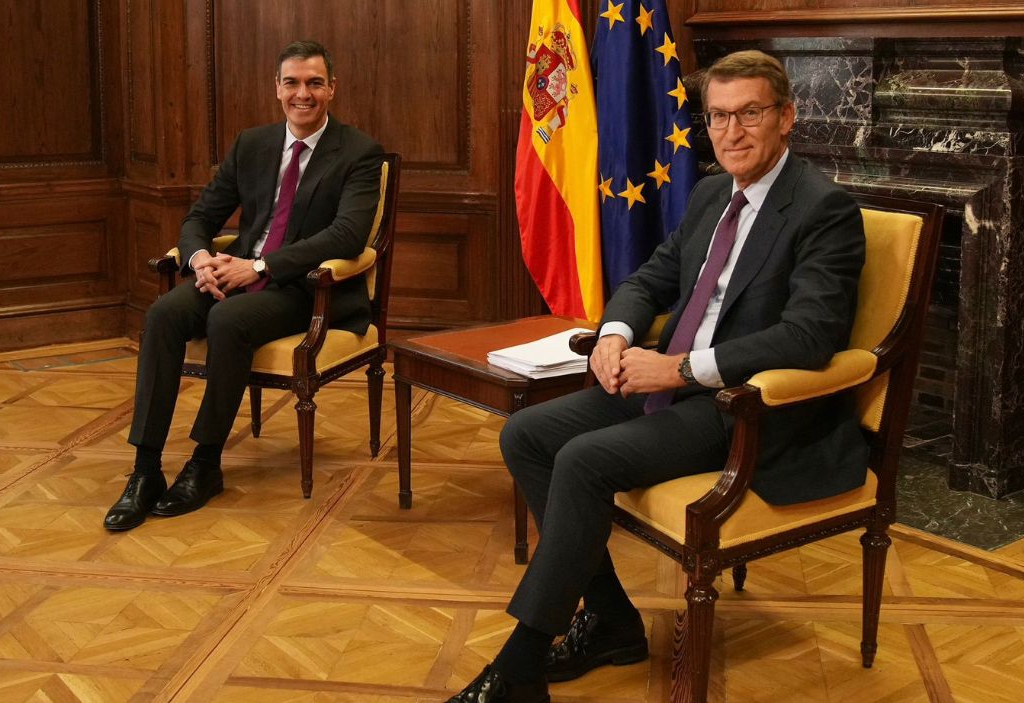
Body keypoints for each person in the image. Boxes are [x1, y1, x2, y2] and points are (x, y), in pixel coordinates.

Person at [450, 50, 868, 702]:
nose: (731, 132)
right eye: (719, 117)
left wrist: (676, 366)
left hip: (742, 407)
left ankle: (520, 667)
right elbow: (651, 277)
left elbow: (809, 336)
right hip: (668, 386)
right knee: (527, 435)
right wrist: (615, 337)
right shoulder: (708, 193)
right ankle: (615, 621)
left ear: (787, 117)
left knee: (584, 459)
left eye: (750, 114)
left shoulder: (824, 210)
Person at [103, 40, 385, 531]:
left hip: (305, 287)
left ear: (332, 89)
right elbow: (201, 215)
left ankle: (205, 463)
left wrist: (260, 267)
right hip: (234, 271)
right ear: (277, 89)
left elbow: (347, 234)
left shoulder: (359, 152)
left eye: (314, 82)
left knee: (227, 318)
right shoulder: (252, 144)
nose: (304, 93)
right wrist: (201, 259)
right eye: (293, 82)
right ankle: (145, 469)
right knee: (164, 314)